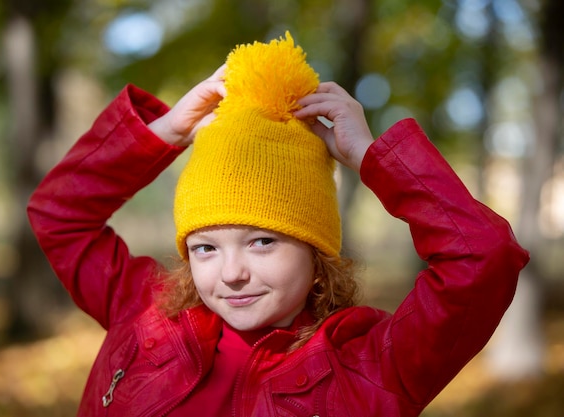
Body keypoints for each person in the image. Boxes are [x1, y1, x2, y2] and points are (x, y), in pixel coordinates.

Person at [27, 32, 529, 417]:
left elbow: (484, 257)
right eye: (205, 248)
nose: (231, 274)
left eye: (262, 241)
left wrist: (371, 157)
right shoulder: (142, 312)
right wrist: (168, 131)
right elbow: (58, 214)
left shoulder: (375, 366)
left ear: (316, 253)